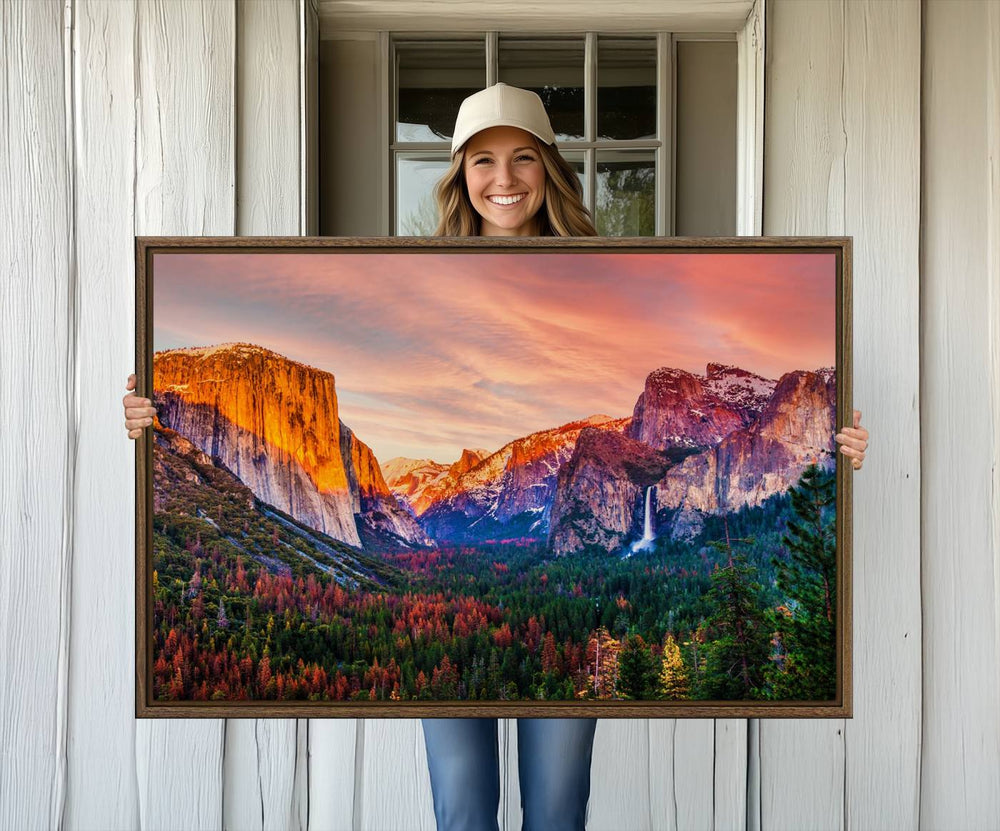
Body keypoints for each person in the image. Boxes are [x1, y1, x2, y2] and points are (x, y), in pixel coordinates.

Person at [121, 82, 871, 831]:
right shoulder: (417, 278)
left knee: (556, 809)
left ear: (549, 167)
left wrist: (827, 446)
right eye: (483, 160)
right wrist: (153, 417)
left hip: (567, 646)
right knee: (462, 809)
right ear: (459, 175)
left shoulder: (611, 271)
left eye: (522, 158)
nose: (503, 179)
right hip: (464, 664)